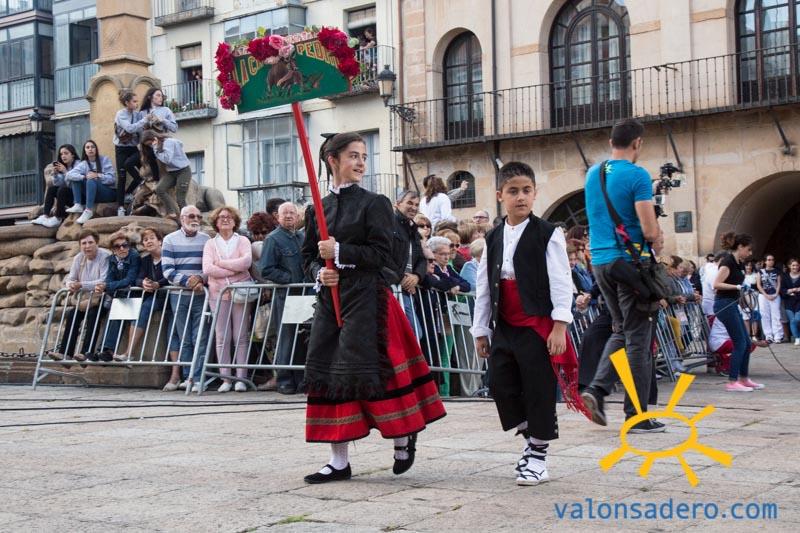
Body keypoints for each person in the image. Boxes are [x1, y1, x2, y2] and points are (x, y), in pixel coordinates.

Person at [300, 132, 446, 484]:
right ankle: (338, 460)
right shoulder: (316, 208)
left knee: (378, 372)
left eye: (364, 155)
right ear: (332, 160)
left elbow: (387, 256)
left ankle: (401, 436)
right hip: (331, 300)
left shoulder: (375, 203)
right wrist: (320, 272)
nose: (361, 162)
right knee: (329, 373)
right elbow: (307, 257)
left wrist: (342, 253)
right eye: (353, 155)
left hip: (369, 299)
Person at [470, 161, 576, 486]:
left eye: (527, 191)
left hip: (536, 324)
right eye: (513, 191)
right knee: (501, 386)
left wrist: (560, 325)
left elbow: (561, 280)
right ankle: (531, 440)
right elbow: (485, 286)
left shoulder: (548, 233)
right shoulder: (493, 237)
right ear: (500, 194)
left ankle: (539, 457)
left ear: (535, 194)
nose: (521, 197)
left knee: (538, 389)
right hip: (504, 324)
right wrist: (480, 330)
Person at [580, 119, 665, 433]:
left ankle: (597, 390)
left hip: (601, 262)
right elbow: (647, 228)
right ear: (638, 143)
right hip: (630, 264)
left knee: (620, 329)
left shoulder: (594, 172)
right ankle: (636, 414)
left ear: (611, 141)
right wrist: (657, 235)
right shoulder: (638, 175)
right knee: (639, 341)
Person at [203, 206, 254, 393]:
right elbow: (208, 268)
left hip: (240, 293)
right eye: (221, 217)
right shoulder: (210, 244)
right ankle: (226, 378)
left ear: (235, 221)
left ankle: (241, 378)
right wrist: (235, 270)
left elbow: (246, 262)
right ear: (216, 222)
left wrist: (222, 264)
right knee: (222, 337)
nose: (225, 219)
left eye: (229, 217)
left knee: (240, 336)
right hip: (218, 294)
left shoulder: (242, 240)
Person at [259, 201, 307, 394]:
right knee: (286, 338)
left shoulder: (302, 237)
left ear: (297, 217)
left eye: (292, 213)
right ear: (277, 217)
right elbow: (266, 269)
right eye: (284, 213)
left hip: (304, 296)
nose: (288, 216)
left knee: (303, 337)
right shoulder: (273, 239)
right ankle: (285, 380)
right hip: (286, 296)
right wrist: (290, 279)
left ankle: (302, 378)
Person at [162, 205, 210, 392]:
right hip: (179, 294)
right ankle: (188, 375)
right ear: (182, 218)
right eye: (191, 215)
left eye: (198, 215)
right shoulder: (169, 240)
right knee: (184, 338)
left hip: (200, 294)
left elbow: (208, 266)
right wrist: (188, 281)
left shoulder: (207, 239)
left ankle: (197, 377)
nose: (195, 218)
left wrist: (200, 279)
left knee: (200, 336)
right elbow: (167, 270)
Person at [46, 229, 112, 362]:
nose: (87, 246)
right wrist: (71, 285)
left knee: (94, 315)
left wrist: (81, 285)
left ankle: (86, 352)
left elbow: (104, 280)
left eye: (90, 242)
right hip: (84, 299)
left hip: (100, 298)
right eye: (84, 243)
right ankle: (65, 353)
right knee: (72, 315)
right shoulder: (78, 258)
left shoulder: (105, 256)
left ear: (97, 243)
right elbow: (70, 278)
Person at [713, 231, 764, 391]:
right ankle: (732, 381)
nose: (750, 253)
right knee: (740, 342)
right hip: (723, 304)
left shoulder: (739, 263)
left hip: (733, 303)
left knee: (747, 342)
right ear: (740, 247)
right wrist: (737, 287)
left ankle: (744, 378)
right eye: (748, 250)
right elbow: (716, 284)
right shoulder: (727, 262)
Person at [97, 231, 141, 361]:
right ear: (112, 249)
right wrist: (107, 286)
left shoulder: (134, 256)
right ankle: (102, 350)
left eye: (125, 245)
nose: (122, 248)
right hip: (119, 294)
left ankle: (107, 350)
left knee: (118, 313)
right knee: (108, 314)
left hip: (132, 295)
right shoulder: (112, 259)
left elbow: (130, 280)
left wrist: (108, 286)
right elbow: (109, 279)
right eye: (117, 246)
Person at [390, 191, 428, 338]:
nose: (414, 207)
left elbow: (421, 259)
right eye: (409, 203)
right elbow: (383, 256)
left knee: (414, 335)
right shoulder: (388, 225)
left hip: (406, 290)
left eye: (417, 205)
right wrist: (403, 278)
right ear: (397, 204)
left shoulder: (413, 230)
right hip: (392, 288)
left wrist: (416, 277)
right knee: (411, 335)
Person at [140, 130, 192, 218]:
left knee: (180, 199)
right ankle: (171, 212)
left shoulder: (168, 143)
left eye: (150, 143)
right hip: (171, 172)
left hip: (183, 171)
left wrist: (156, 149)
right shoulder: (159, 144)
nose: (150, 146)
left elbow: (167, 159)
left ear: (154, 139)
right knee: (159, 189)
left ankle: (187, 217)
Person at [65, 140, 117, 225]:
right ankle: (77, 204)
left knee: (91, 179)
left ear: (96, 149)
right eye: (87, 147)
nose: (90, 149)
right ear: (85, 151)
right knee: (77, 179)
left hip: (107, 193)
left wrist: (97, 175)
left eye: (92, 147)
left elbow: (112, 179)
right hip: (93, 194)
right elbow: (69, 175)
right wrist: (84, 177)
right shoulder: (84, 163)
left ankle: (88, 210)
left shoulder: (104, 160)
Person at [114, 90, 147, 216]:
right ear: (127, 102)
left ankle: (129, 192)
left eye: (137, 101)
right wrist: (144, 121)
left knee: (138, 169)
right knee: (122, 176)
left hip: (134, 147)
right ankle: (120, 207)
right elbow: (130, 128)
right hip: (121, 148)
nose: (136, 103)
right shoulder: (121, 114)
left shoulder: (137, 114)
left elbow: (140, 131)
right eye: (134, 101)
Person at [33, 144, 79, 228]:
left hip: (79, 197)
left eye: (66, 153)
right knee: (52, 189)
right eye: (61, 154)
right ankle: (45, 215)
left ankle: (58, 217)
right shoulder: (64, 166)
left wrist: (65, 172)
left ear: (72, 154)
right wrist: (55, 175)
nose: (63, 156)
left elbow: (75, 184)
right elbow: (59, 184)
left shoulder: (79, 165)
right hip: (68, 195)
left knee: (62, 190)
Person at [756, 253, 783, 343]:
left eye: (772, 260)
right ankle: (768, 335)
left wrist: (776, 293)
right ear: (765, 261)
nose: (771, 261)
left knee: (776, 315)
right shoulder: (760, 272)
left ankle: (778, 335)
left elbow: (779, 283)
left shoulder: (777, 271)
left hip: (775, 295)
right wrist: (765, 294)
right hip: (763, 296)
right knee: (765, 315)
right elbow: (759, 285)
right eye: (769, 260)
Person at [781, 258, 800, 346]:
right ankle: (797, 338)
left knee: (797, 319)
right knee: (792, 320)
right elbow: (782, 289)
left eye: (796, 265)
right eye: (793, 265)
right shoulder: (785, 276)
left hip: (799, 301)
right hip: (788, 301)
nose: (795, 267)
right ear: (789, 266)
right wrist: (791, 290)